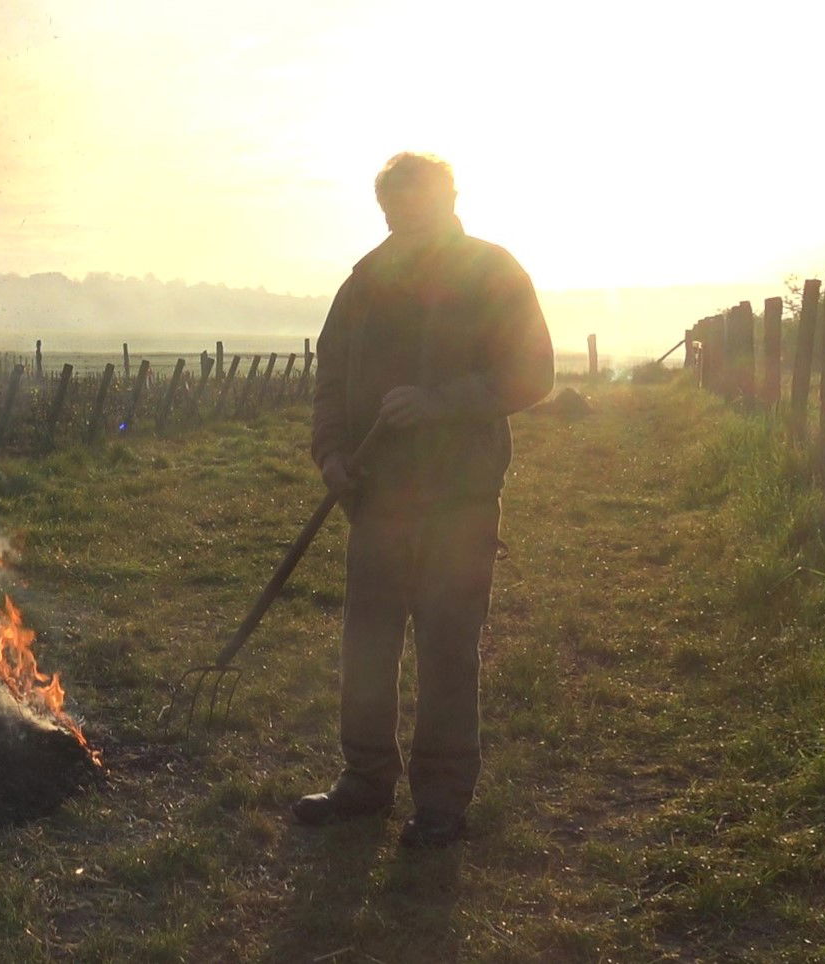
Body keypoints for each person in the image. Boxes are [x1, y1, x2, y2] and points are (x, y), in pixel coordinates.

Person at [292, 152, 553, 848]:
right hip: (374, 499)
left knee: (445, 649)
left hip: (459, 498)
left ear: (447, 200)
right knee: (366, 646)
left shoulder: (493, 273)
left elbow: (532, 374)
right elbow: (327, 379)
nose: (403, 223)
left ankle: (439, 802)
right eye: (391, 212)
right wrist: (331, 456)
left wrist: (438, 405)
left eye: (416, 209)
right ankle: (364, 782)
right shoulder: (364, 283)